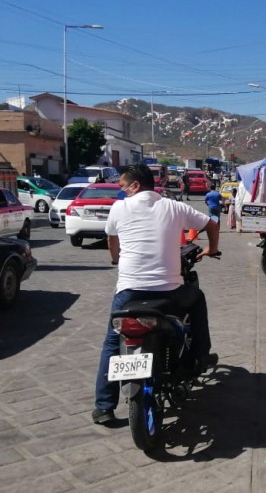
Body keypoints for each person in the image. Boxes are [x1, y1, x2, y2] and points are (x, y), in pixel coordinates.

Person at [92, 164, 220, 425]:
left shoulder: (119, 209)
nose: (123, 192)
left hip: (128, 293)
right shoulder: (174, 207)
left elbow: (112, 241)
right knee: (197, 299)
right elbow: (211, 225)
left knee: (111, 343)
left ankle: (104, 407)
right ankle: (200, 355)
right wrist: (211, 249)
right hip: (169, 295)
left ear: (136, 185)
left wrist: (117, 258)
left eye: (124, 187)